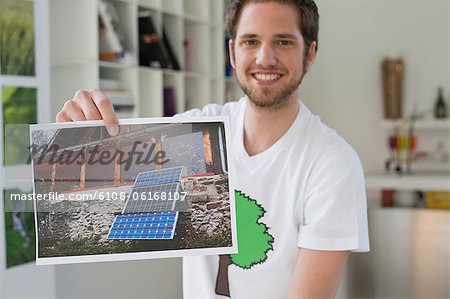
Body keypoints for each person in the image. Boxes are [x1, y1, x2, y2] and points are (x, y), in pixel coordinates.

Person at [56, 0, 370, 298]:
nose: (264, 58)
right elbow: (100, 195)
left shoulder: (333, 164)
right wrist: (79, 136)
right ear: (232, 53)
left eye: (284, 42)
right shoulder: (194, 132)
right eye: (250, 41)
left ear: (309, 54)